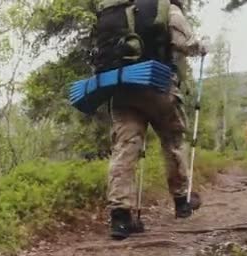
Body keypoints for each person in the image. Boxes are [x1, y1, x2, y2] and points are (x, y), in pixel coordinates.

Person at [88, 0, 209, 240]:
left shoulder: (116, 12)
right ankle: (182, 201)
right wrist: (202, 46)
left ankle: (121, 218)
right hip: (157, 86)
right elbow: (185, 43)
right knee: (172, 141)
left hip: (122, 90)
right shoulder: (165, 8)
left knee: (124, 149)